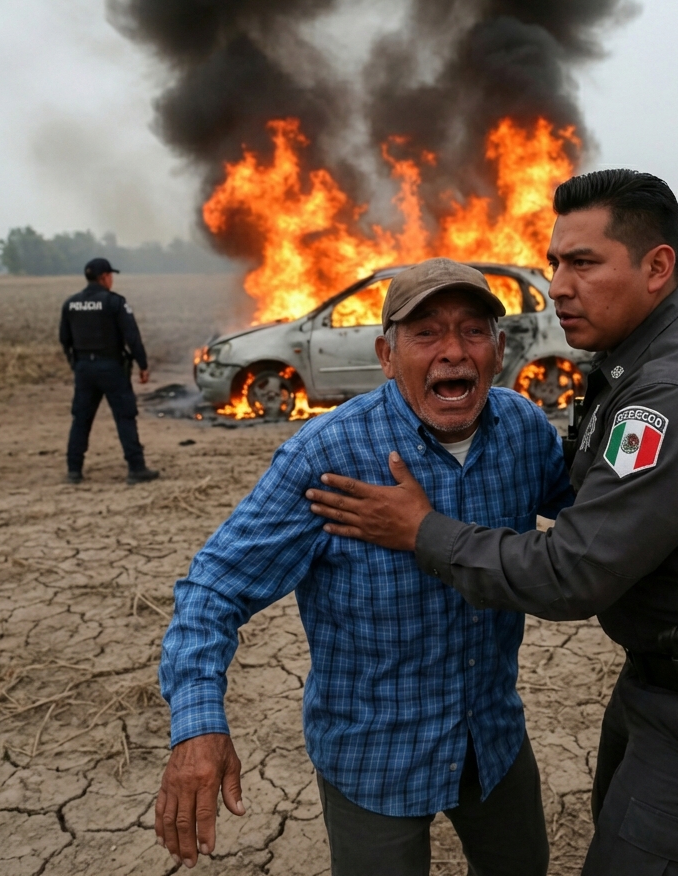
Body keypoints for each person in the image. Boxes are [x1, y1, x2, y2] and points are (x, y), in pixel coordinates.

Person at [305, 171, 678, 876]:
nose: (556, 285)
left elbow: (571, 572)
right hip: (664, 682)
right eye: (556, 262)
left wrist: (422, 530)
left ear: (656, 267)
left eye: (582, 263)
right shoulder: (642, 365)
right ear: (387, 351)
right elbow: (605, 478)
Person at [155, 259, 572, 875]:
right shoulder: (328, 455)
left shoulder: (524, 430)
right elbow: (213, 587)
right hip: (375, 755)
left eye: (473, 331)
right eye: (426, 333)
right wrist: (197, 726)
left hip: (493, 736)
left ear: (500, 347)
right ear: (386, 353)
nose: (453, 352)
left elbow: (599, 523)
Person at [59, 257, 158, 484]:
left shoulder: (71, 303)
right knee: (125, 416)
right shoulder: (114, 302)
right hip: (111, 368)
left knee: (81, 419)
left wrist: (76, 364)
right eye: (110, 275)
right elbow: (132, 337)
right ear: (104, 277)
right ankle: (136, 468)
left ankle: (74, 470)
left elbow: (64, 339)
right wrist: (143, 365)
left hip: (84, 368)